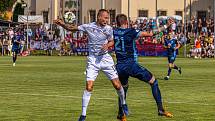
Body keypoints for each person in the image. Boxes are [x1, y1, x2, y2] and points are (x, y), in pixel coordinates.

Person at [54, 9, 128, 121]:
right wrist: (62, 24)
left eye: (108, 18)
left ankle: (123, 103)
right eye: (105, 18)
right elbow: (72, 28)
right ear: (99, 17)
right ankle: (83, 115)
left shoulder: (109, 29)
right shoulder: (88, 26)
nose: (107, 20)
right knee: (89, 87)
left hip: (106, 59)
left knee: (117, 85)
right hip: (93, 60)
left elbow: (112, 41)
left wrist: (108, 45)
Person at [113, 14, 173, 121]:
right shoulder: (130, 31)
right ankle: (160, 109)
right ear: (126, 22)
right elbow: (150, 34)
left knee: (123, 89)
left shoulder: (114, 31)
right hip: (130, 64)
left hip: (119, 66)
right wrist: (166, 26)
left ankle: (121, 114)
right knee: (153, 81)